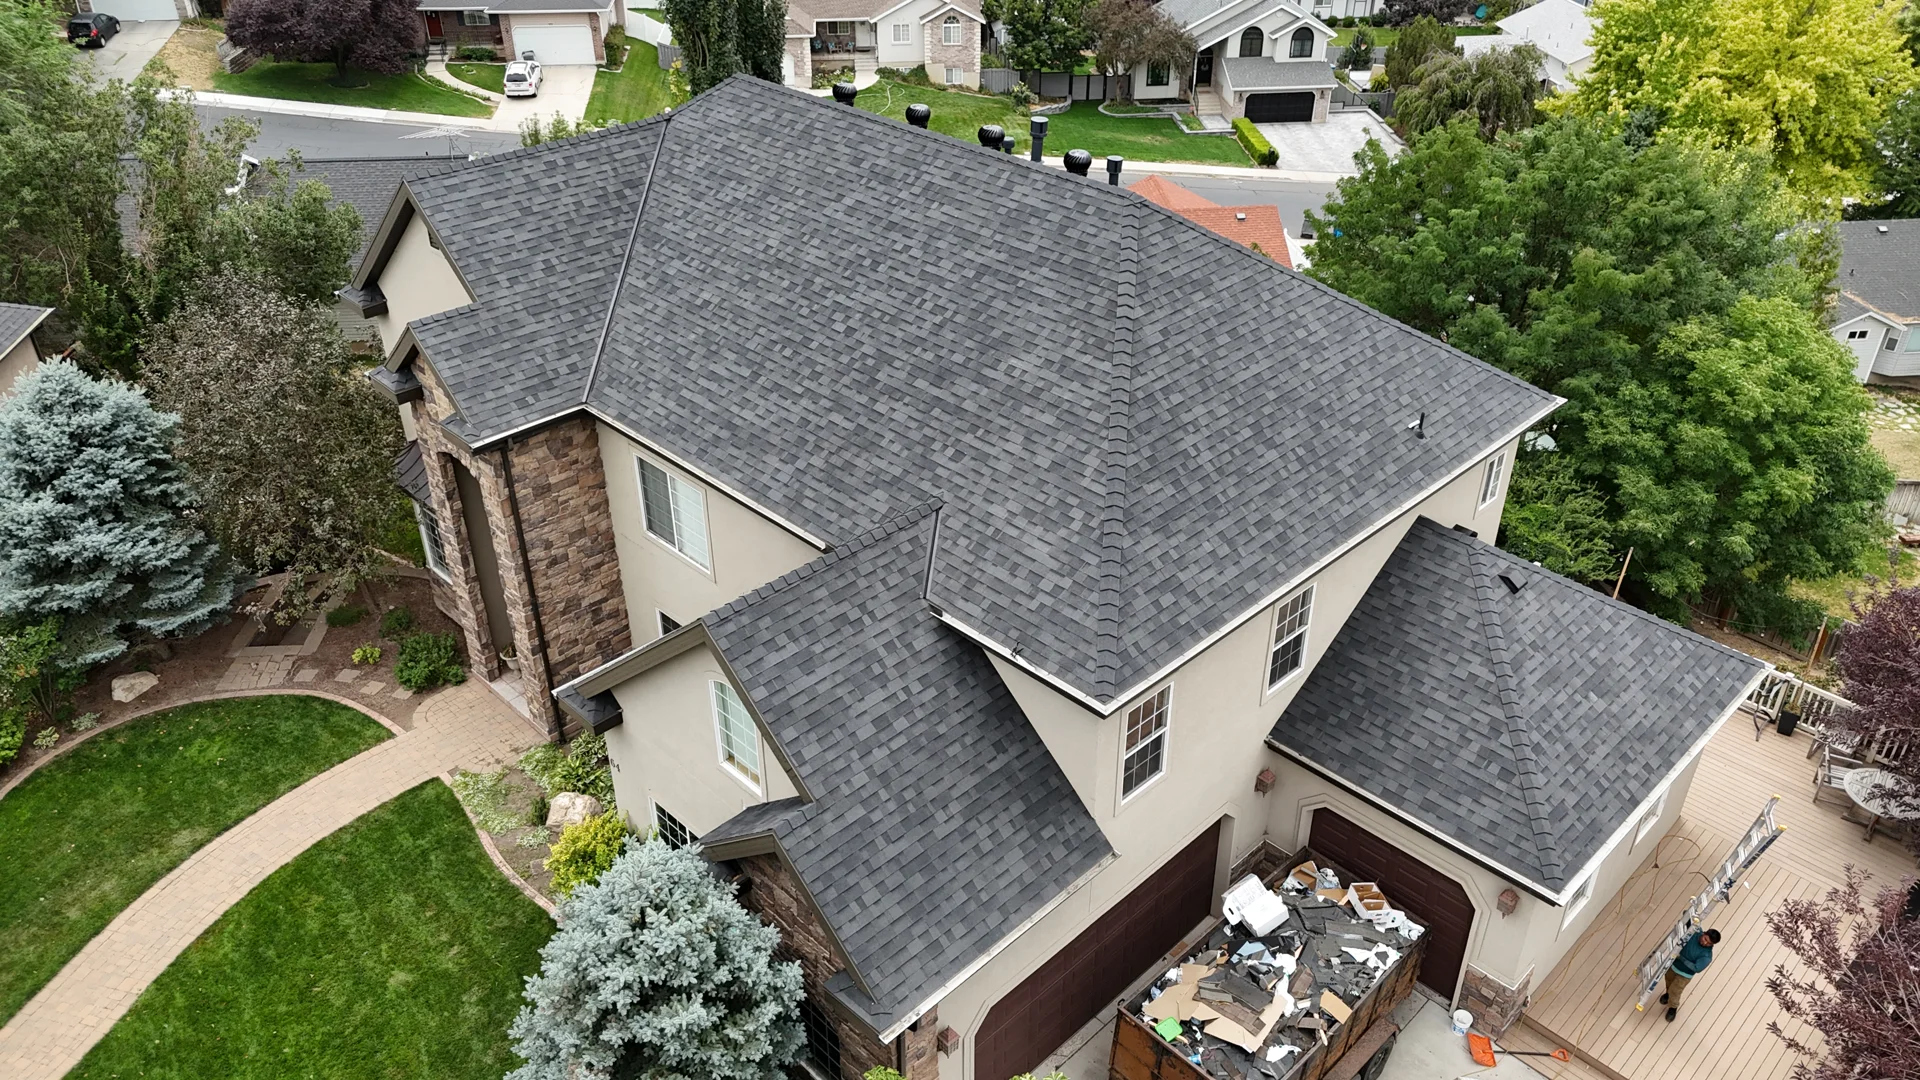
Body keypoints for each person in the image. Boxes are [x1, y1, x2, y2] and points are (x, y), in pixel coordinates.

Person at [1661, 928, 1721, 1021]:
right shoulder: (1694, 933)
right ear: (1704, 933)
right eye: (1705, 939)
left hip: (1684, 975)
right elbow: (1688, 916)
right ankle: (1668, 994)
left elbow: (1697, 968)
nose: (1705, 943)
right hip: (1673, 966)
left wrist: (1681, 958)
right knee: (1668, 981)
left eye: (1709, 943)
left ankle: (1673, 1008)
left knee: (1675, 991)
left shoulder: (1706, 956)